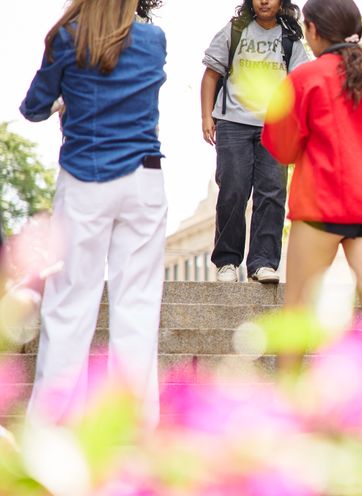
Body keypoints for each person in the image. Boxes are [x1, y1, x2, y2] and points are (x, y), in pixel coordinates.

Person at [261, 0, 362, 433]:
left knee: (297, 311)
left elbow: (279, 145)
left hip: (321, 205)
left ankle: (285, 418)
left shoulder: (306, 78)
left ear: (312, 29)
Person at [20, 0, 167, 426]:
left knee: (70, 303)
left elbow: (33, 107)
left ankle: (53, 423)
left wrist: (61, 103)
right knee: (137, 304)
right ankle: (134, 425)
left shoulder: (67, 36)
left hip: (86, 177)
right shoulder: (155, 40)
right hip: (144, 179)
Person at [201, 0, 310, 284]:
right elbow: (211, 75)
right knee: (233, 192)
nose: (264, 1)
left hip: (275, 128)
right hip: (233, 124)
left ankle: (263, 262)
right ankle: (227, 262)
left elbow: (301, 87)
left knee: (272, 195)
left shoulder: (290, 38)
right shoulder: (234, 30)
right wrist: (206, 117)